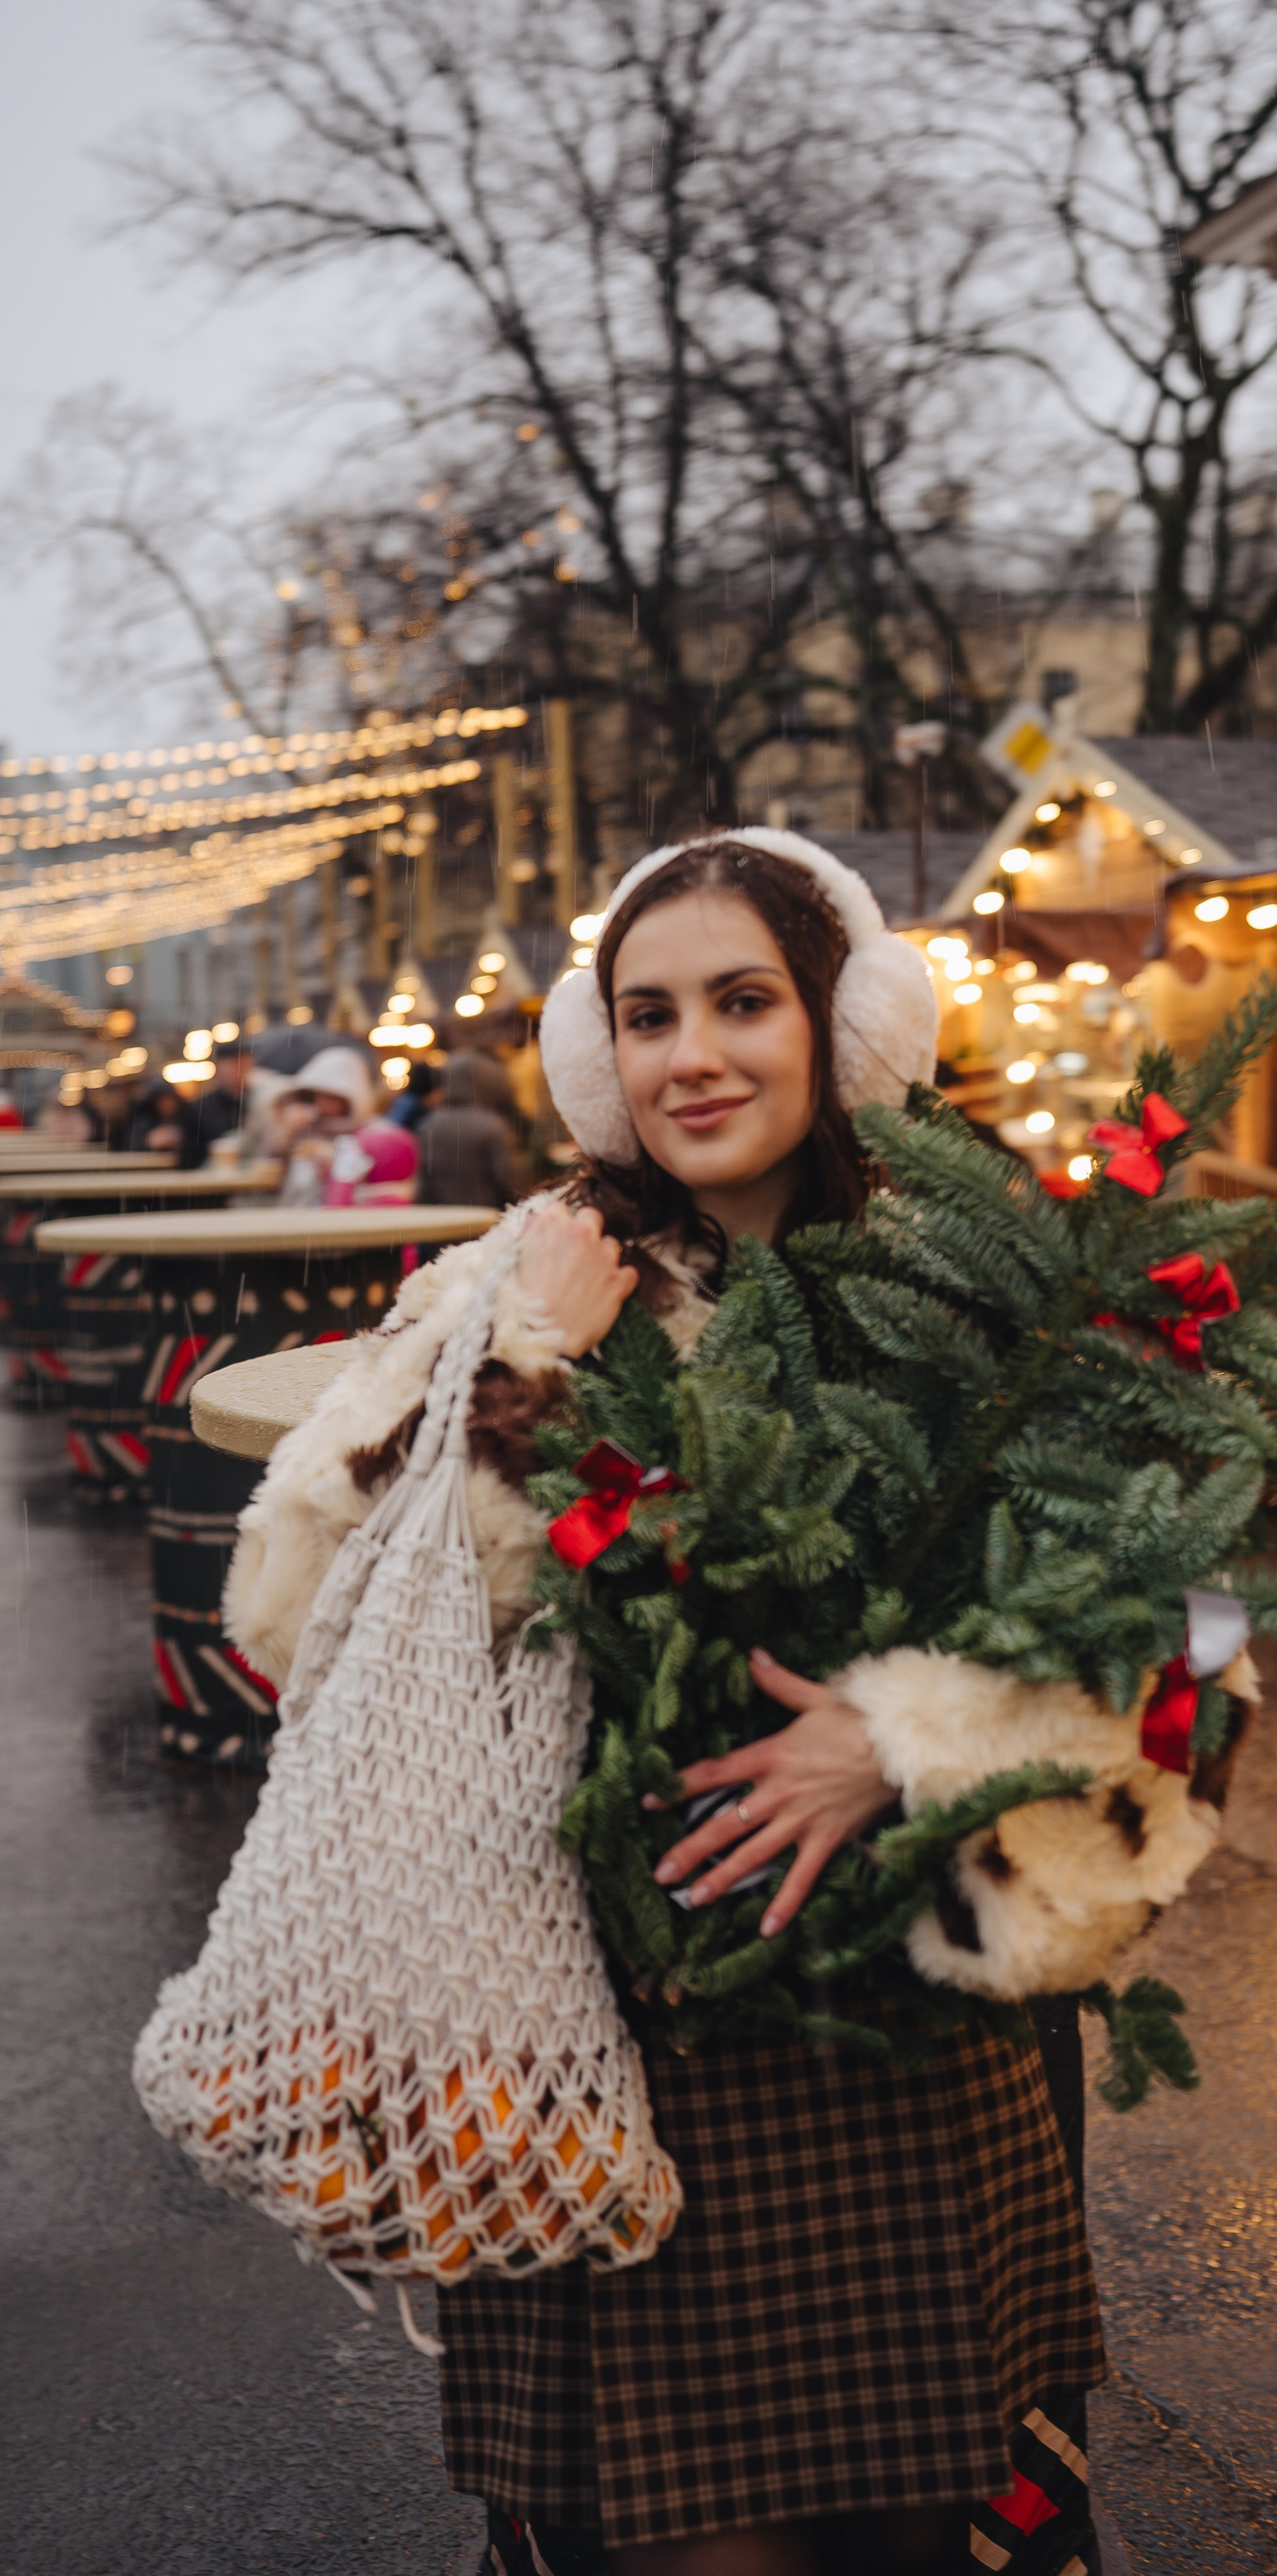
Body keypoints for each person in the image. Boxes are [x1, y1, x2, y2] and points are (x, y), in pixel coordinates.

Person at [221, 833, 1105, 2576]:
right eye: (646, 1013)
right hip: (601, 2044)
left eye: (741, 1000)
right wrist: (527, 1364)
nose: (690, 1052)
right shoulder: (509, 1281)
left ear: (839, 1023)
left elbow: (1191, 1620)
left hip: (907, 2045)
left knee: (921, 2538)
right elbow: (305, 1618)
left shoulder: (977, 1283)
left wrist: (911, 1726)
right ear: (594, 1053)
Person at [266, 1046, 376, 1204]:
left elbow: (371, 1179)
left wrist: (335, 1162)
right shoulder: (305, 1127)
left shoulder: (368, 1133)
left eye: (331, 1097)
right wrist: (285, 1132)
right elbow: (268, 1165)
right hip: (295, 1209)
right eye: (319, 1096)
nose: (323, 1104)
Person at [417, 1050, 524, 1208]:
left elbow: (424, 1183)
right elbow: (508, 1181)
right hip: (484, 1219)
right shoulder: (491, 1125)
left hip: (442, 1220)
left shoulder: (430, 1124)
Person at [186, 1046, 257, 1167]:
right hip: (212, 1180)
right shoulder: (199, 1109)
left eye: (245, 1064)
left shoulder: (264, 1103)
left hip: (260, 1180)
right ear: (219, 1066)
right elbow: (190, 1160)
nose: (241, 1070)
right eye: (235, 1063)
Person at [127, 1078, 202, 1168]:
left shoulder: (189, 1118)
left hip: (184, 1172)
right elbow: (128, 1149)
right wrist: (148, 1141)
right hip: (150, 1172)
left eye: (169, 1099)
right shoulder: (143, 1122)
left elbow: (199, 1147)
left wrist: (182, 1140)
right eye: (161, 1100)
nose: (166, 1104)